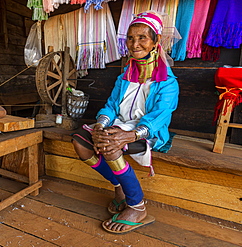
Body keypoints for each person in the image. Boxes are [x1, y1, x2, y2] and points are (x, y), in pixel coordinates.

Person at [72, 11, 179, 234]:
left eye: (142, 38)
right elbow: (111, 106)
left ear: (155, 42)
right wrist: (100, 125)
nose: (135, 43)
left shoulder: (167, 82)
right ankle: (119, 186)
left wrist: (128, 135)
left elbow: (159, 117)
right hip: (118, 126)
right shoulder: (125, 78)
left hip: (148, 133)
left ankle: (137, 206)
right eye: (130, 37)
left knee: (110, 144)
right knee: (81, 142)